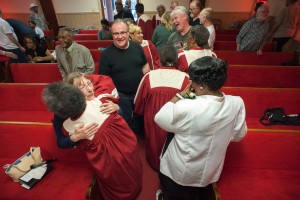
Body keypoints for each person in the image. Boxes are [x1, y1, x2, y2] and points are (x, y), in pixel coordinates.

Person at [155, 56, 247, 200]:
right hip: (209, 171)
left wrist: (179, 95)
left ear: (202, 85)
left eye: (191, 80)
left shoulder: (187, 106)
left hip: (180, 170)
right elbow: (238, 135)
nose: (189, 83)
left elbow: (160, 118)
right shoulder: (237, 103)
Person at [42, 72, 142, 200]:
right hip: (104, 157)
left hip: (125, 145)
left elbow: (122, 117)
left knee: (132, 167)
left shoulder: (99, 97)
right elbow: (60, 143)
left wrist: (117, 108)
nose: (89, 90)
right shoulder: (63, 113)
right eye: (82, 88)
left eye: (89, 84)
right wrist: (75, 138)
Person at [134, 45, 190, 171]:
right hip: (175, 118)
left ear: (159, 59)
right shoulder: (185, 78)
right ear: (176, 60)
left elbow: (138, 103)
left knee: (154, 141)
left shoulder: (149, 77)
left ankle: (155, 164)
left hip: (154, 118)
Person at [99, 19, 150, 137]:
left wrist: (146, 86)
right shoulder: (106, 55)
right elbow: (103, 80)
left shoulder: (137, 47)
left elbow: (145, 66)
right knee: (126, 123)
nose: (120, 36)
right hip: (121, 96)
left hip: (139, 93)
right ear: (112, 35)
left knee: (140, 121)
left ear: (128, 33)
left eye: (123, 33)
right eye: (116, 33)